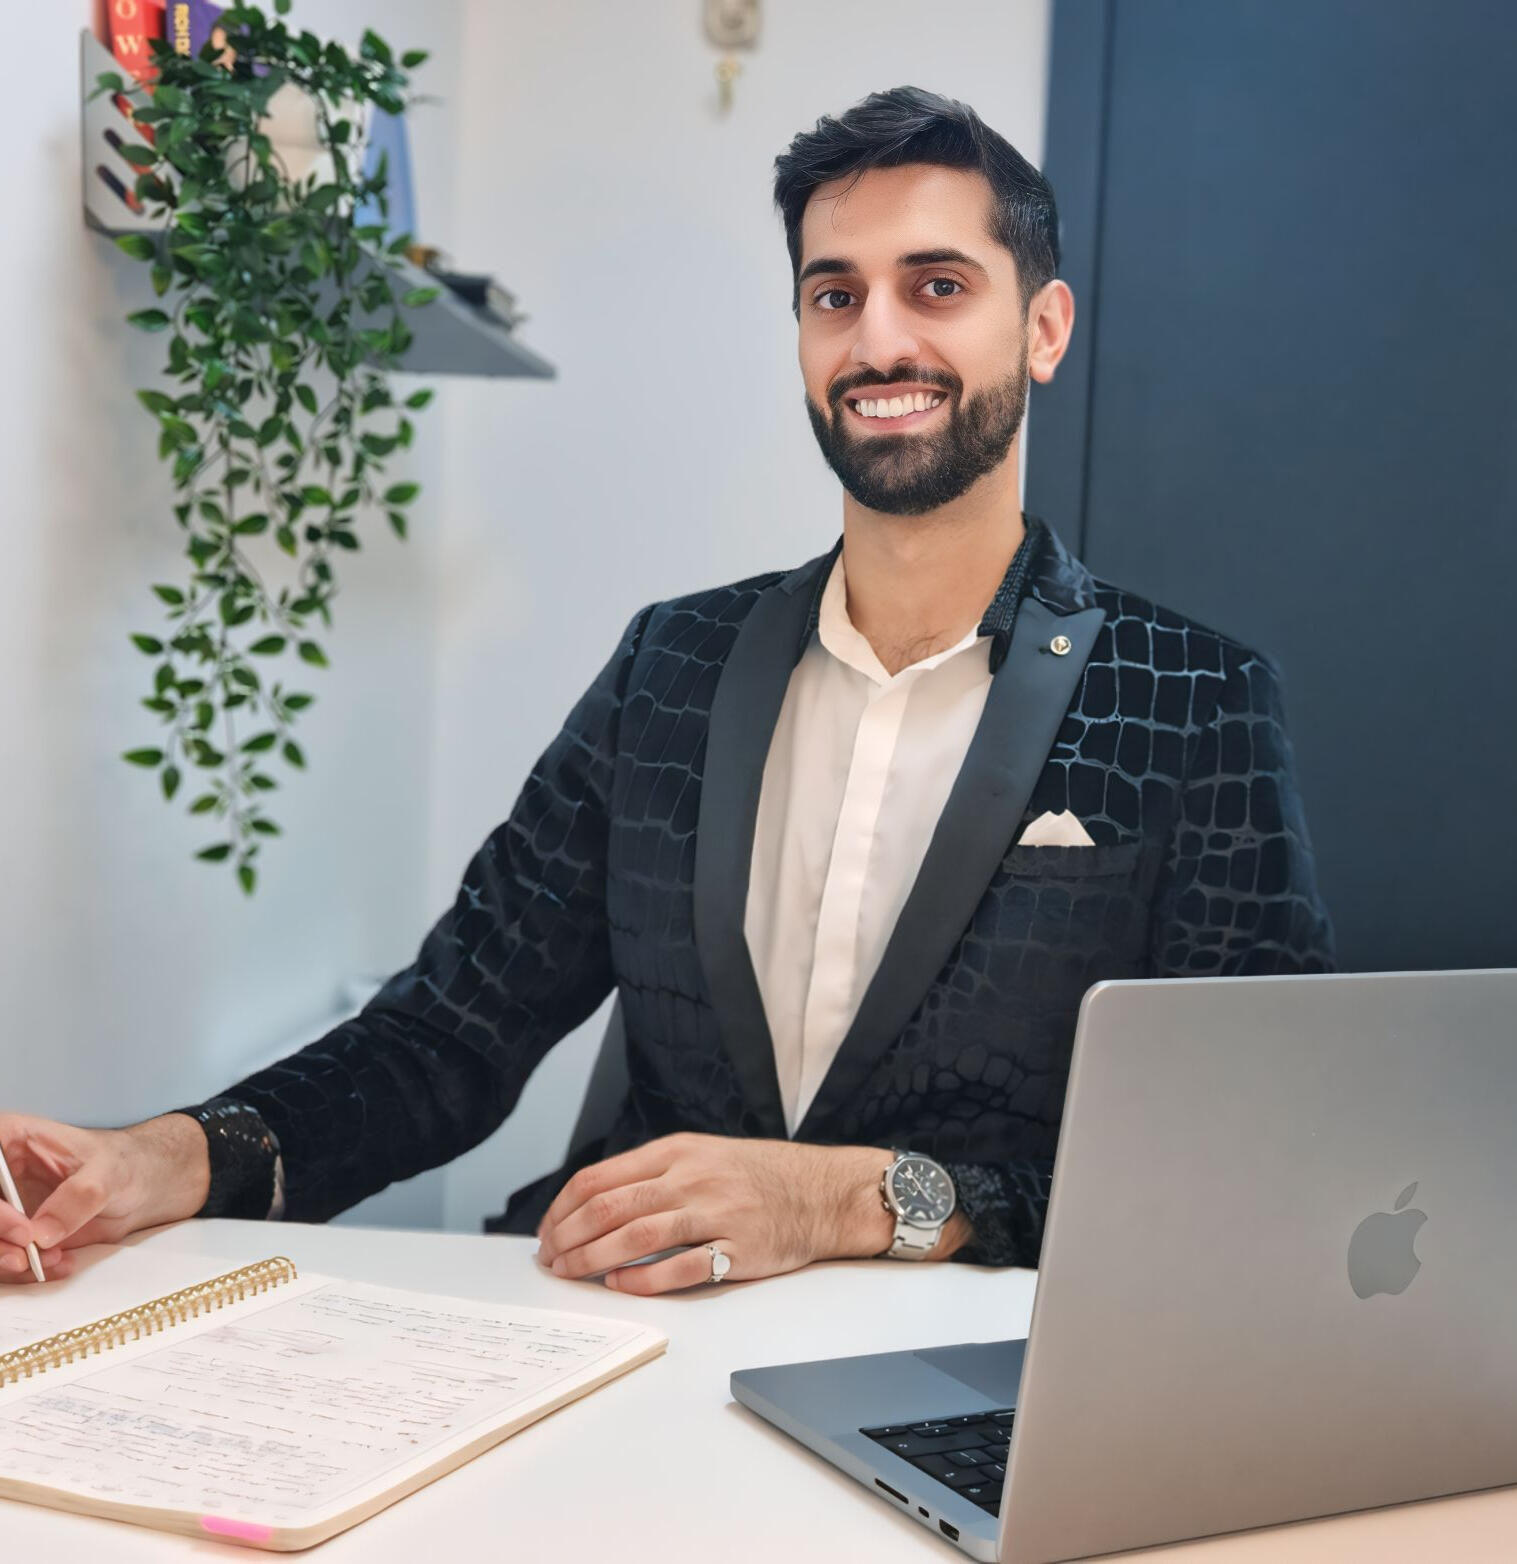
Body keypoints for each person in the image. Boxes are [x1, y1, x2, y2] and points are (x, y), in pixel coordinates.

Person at [0, 86, 1333, 1295]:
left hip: (975, 1391)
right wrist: (162, 1158)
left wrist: (853, 1202)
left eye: (936, 286)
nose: (878, 340)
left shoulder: (1195, 699)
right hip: (631, 1339)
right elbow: (448, 1034)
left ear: (1041, 328)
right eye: (833, 295)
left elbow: (1240, 1156)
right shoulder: (672, 667)